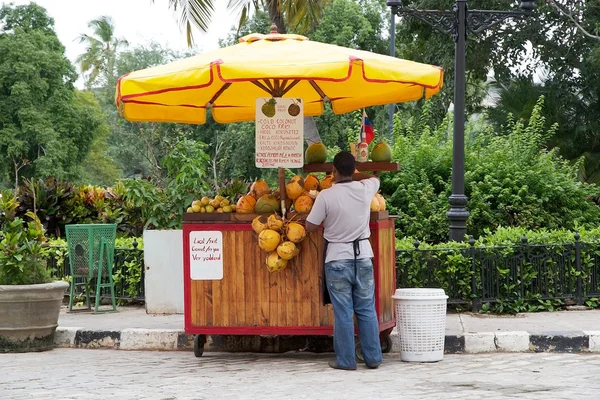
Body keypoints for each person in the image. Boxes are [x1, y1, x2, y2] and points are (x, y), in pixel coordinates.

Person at [305, 151, 383, 371]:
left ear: (333, 171)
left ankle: (346, 361)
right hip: (364, 256)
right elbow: (374, 178)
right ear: (354, 170)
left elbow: (311, 226)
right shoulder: (365, 189)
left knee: (343, 312)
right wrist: (354, 173)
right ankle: (373, 358)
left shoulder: (326, 196)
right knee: (367, 308)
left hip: (338, 259)